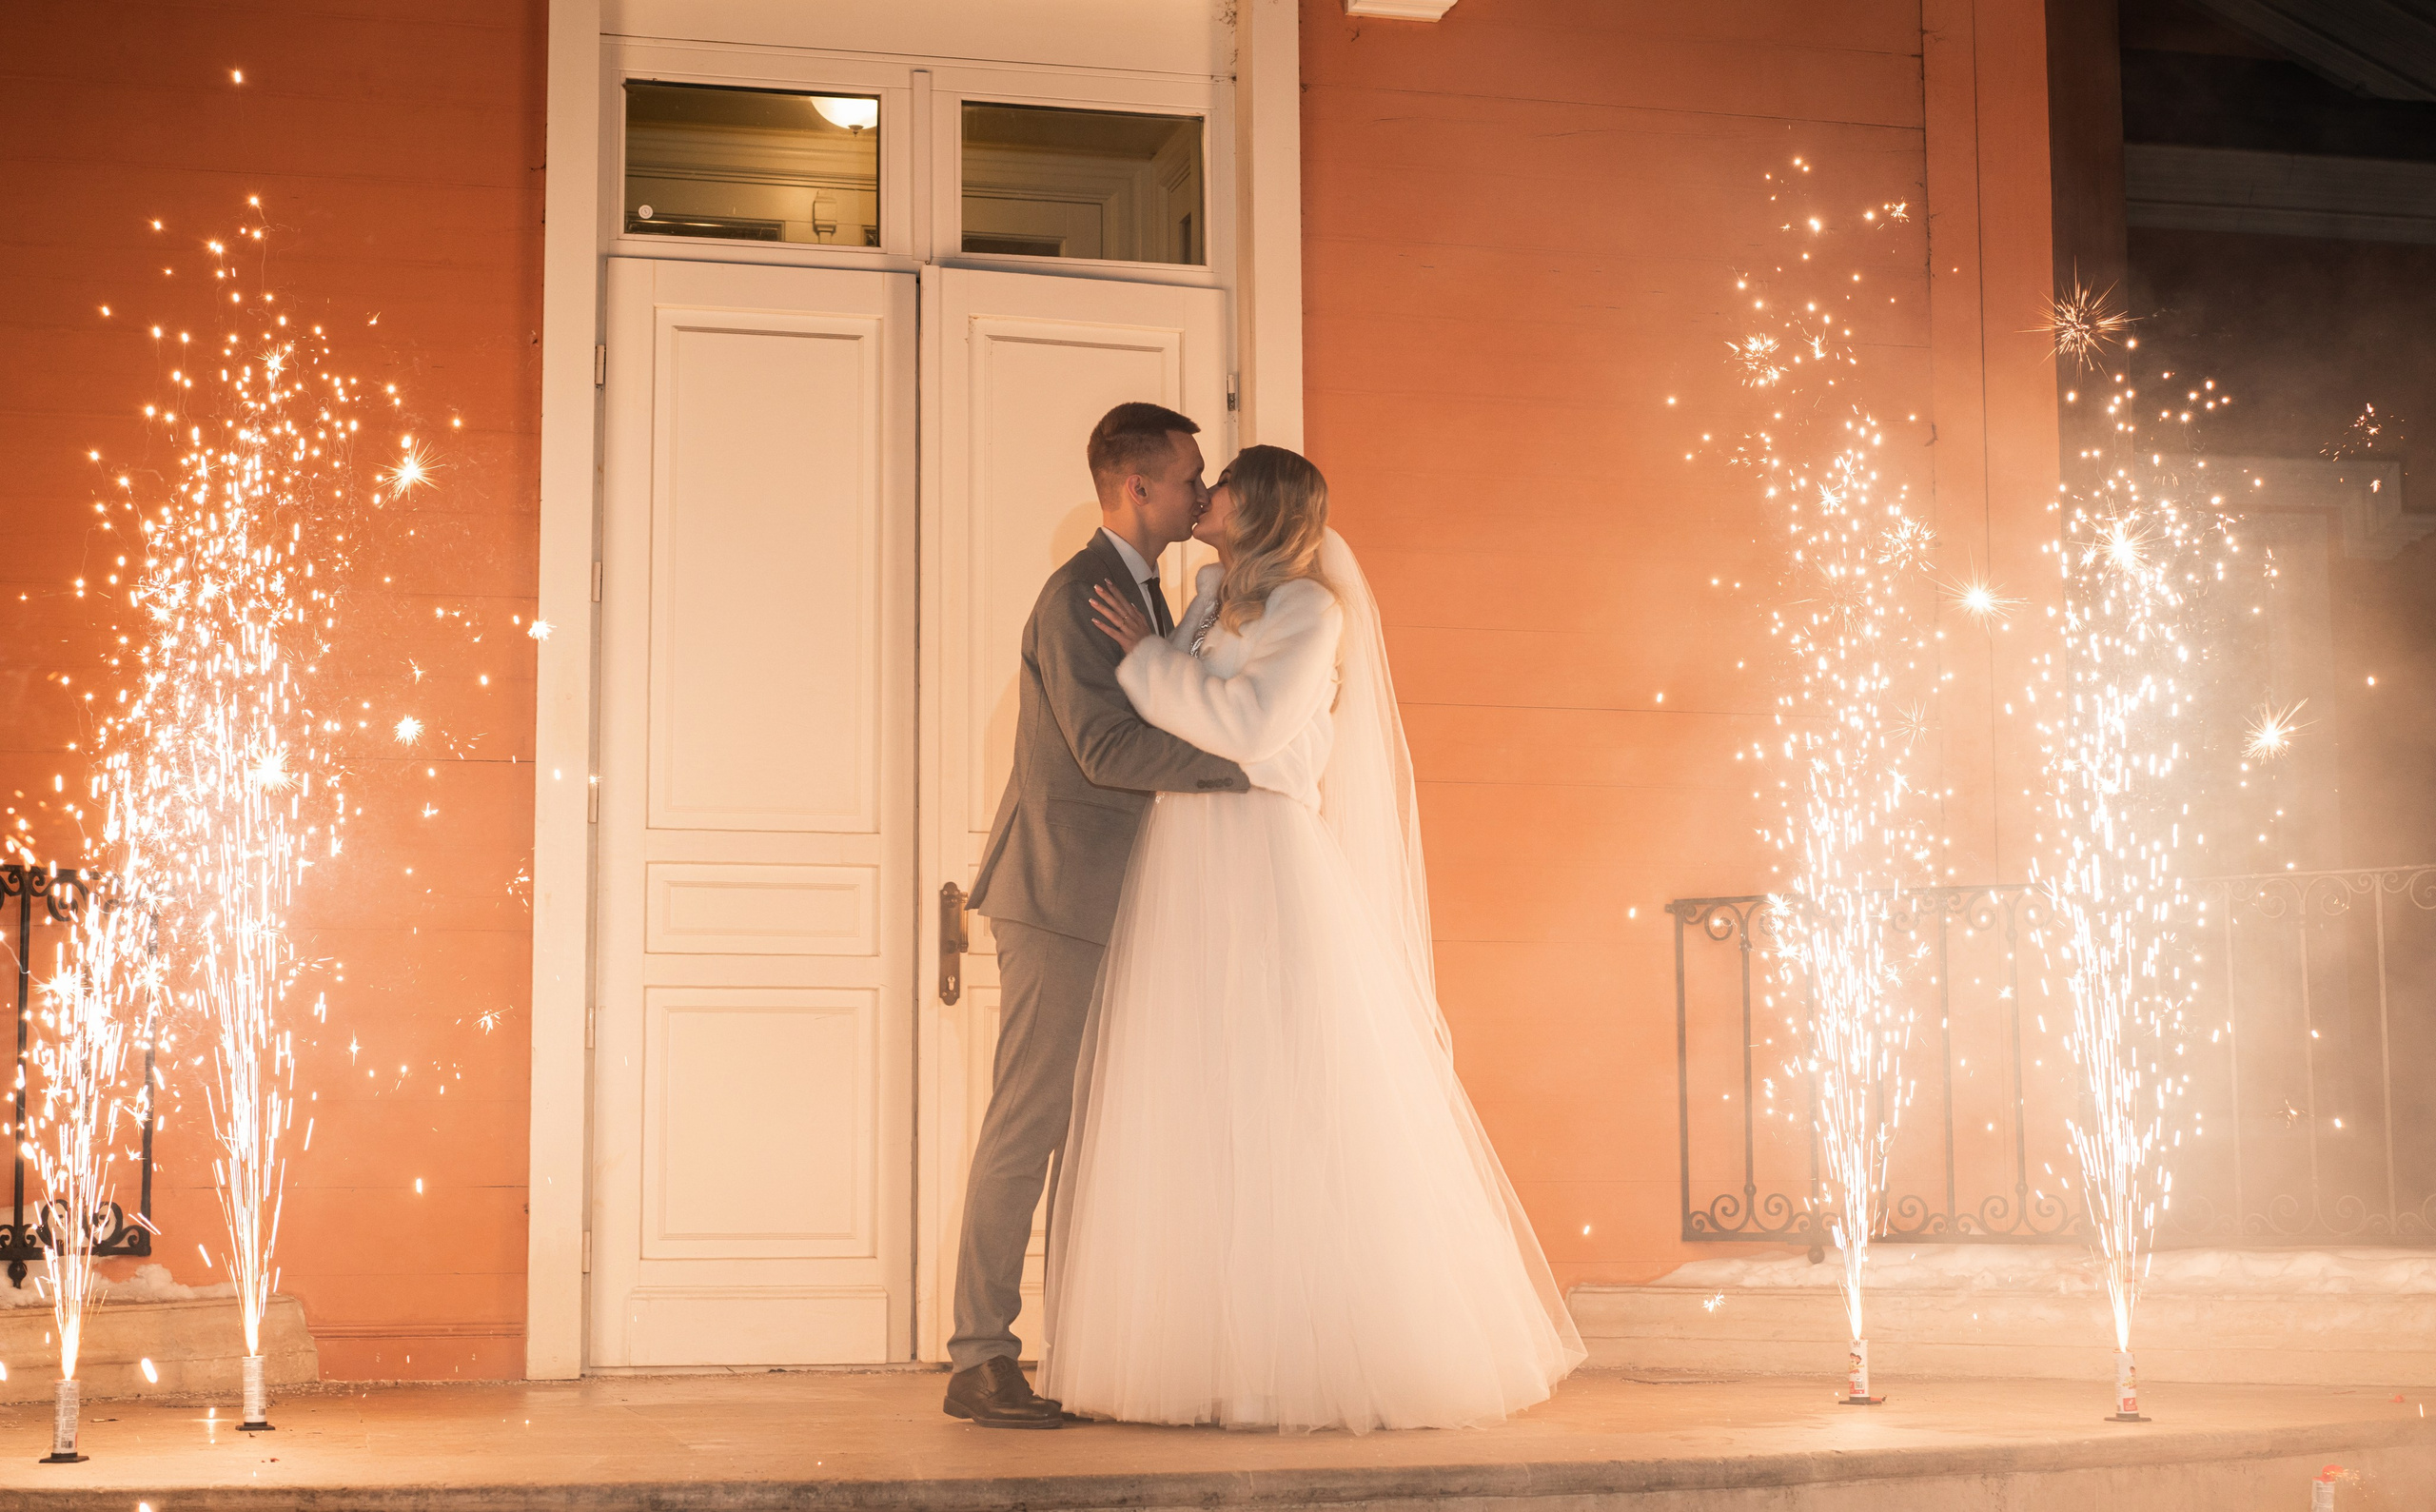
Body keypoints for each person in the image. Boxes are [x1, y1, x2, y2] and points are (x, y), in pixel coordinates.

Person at [1038, 444, 1585, 1433]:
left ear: (1262, 505)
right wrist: (1158, 656)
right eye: (1196, 478)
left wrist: (1145, 661)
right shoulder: (1205, 595)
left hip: (1258, 855)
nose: (1204, 493)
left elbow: (1248, 724)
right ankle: (1204, 1351)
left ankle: (1289, 1359)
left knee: (1274, 1089)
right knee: (1194, 1095)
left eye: (1223, 481)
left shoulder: (1308, 610)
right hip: (1187, 849)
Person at [944, 403, 1249, 1429]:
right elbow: (1107, 753)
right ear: (1137, 487)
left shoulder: (1145, 595)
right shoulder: (1081, 593)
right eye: (1188, 476)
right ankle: (980, 1356)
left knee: (1095, 1129)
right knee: (1027, 1123)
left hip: (1115, 896)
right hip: (1060, 889)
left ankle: (1081, 1342)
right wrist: (1250, 765)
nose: (1201, 492)